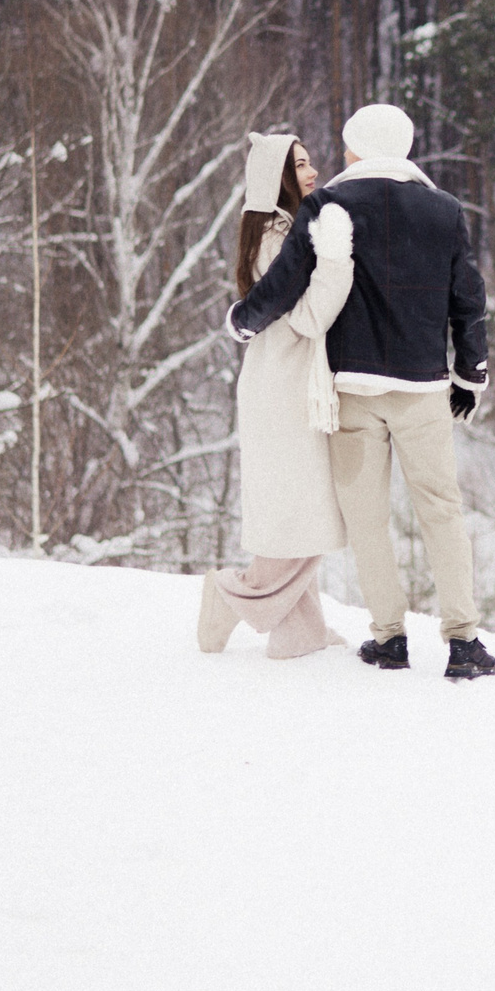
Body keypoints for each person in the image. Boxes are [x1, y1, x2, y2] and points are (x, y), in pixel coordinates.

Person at [227, 103, 495, 680]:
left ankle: (390, 638)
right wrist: (470, 373)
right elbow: (468, 299)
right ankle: (463, 642)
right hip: (423, 388)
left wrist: (243, 319)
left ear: (357, 146)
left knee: (367, 518)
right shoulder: (444, 210)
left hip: (353, 388)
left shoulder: (329, 205)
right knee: (441, 511)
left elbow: (284, 282)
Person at [196, 133, 355, 659]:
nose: (312, 172)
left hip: (285, 381)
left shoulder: (278, 229)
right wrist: (336, 261)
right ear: (276, 176)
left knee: (297, 508)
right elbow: (308, 317)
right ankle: (233, 594)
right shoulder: (276, 235)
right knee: (302, 508)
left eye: (310, 162)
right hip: (284, 387)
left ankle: (299, 631)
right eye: (299, 165)